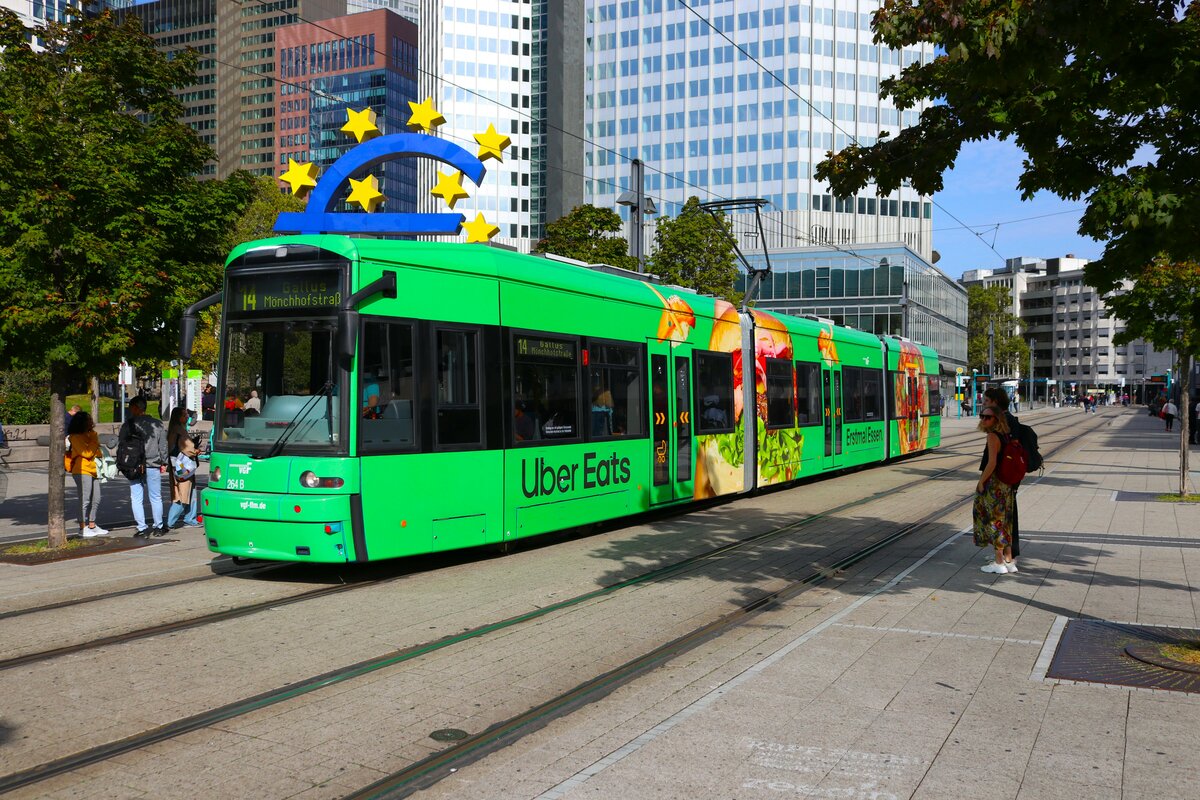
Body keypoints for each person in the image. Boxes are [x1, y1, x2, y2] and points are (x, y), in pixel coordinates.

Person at [980, 388, 1020, 572]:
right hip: (1007, 483)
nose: (983, 420)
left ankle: (998, 562)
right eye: (982, 416)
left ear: (996, 418)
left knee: (995, 521)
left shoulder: (993, 435)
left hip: (996, 483)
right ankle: (1009, 560)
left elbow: (992, 463)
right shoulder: (1006, 433)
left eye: (987, 417)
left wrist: (981, 481)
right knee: (1007, 521)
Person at [120, 395, 169, 537]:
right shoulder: (157, 424)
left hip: (134, 465)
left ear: (135, 408)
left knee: (136, 497)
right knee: (155, 497)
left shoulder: (128, 425)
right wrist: (164, 462)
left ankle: (141, 528)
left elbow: (122, 444)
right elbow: (163, 446)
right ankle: (158, 527)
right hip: (152, 464)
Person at [66, 411, 107, 537]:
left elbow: (98, 453)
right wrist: (94, 441)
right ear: (82, 423)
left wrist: (93, 441)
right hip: (82, 470)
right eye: (89, 420)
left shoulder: (91, 435)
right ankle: (82, 527)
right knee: (85, 499)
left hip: (93, 469)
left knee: (97, 498)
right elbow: (87, 453)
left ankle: (92, 524)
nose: (91, 423)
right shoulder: (75, 437)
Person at [165, 407, 201, 529]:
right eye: (185, 415)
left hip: (175, 465)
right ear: (179, 417)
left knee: (190, 492)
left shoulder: (173, 429)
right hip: (182, 467)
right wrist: (196, 450)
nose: (187, 417)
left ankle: (190, 518)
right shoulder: (180, 430)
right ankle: (171, 521)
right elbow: (188, 448)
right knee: (182, 494)